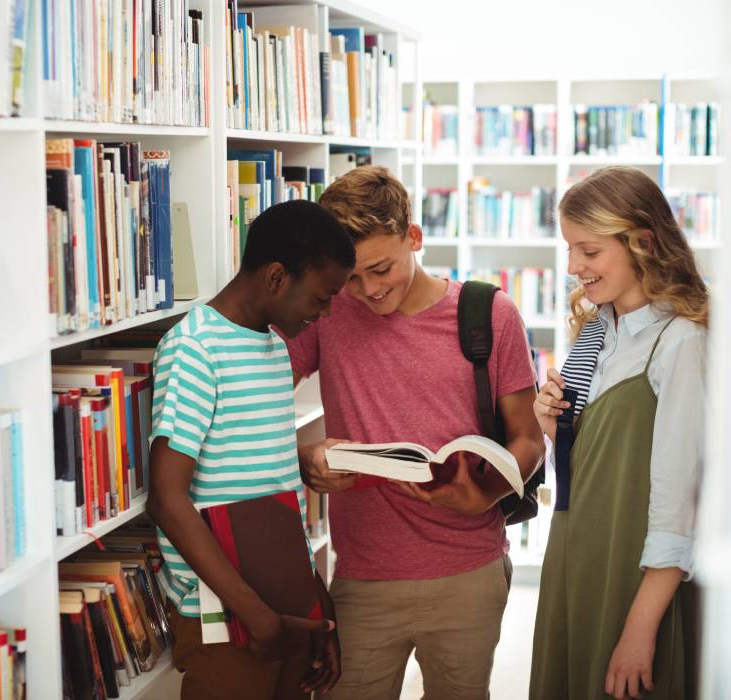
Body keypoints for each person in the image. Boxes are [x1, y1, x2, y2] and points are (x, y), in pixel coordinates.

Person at [285, 166, 545, 699]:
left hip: (469, 574)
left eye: (381, 268)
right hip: (363, 577)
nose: (368, 290)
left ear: (414, 237)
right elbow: (252, 412)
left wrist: (485, 494)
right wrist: (303, 454)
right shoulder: (327, 313)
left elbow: (528, 440)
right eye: (351, 277)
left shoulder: (489, 314)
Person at [146, 200, 356, 699]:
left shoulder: (272, 346)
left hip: (285, 608)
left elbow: (277, 489)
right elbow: (167, 499)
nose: (325, 313)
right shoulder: (195, 348)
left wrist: (317, 603)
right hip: (226, 620)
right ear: (278, 277)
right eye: (322, 298)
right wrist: (254, 613)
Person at [529, 166, 707, 700]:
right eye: (568, 250)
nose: (572, 267)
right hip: (576, 559)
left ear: (642, 243)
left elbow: (679, 505)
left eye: (588, 250)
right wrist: (553, 426)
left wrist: (639, 629)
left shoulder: (680, 343)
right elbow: (599, 468)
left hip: (632, 577)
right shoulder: (595, 332)